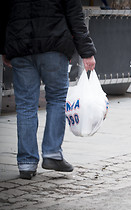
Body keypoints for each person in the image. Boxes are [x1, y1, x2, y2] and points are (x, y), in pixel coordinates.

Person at [0, 0, 96, 179]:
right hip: (54, 44)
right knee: (57, 99)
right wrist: (87, 52)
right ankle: (52, 153)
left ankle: (26, 163)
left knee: (25, 105)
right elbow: (75, 16)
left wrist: (5, 48)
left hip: (20, 47)